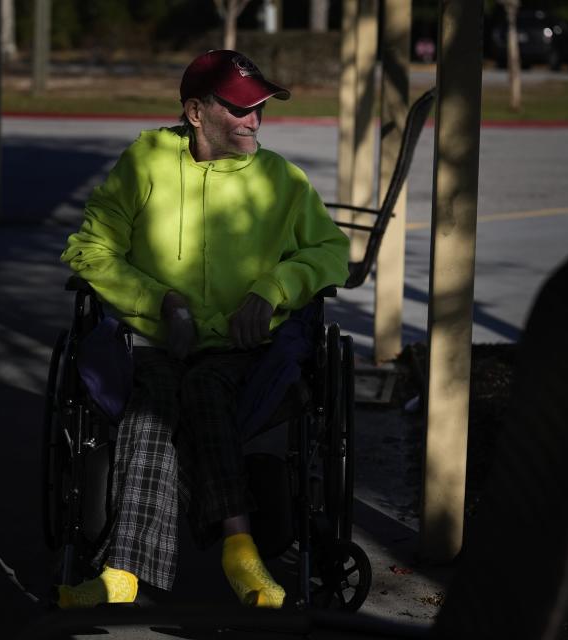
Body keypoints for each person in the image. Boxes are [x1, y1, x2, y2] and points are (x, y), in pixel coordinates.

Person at [58, 49, 349, 609]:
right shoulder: (145, 163)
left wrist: (272, 289)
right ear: (196, 112)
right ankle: (151, 569)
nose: (254, 120)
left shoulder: (282, 180)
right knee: (156, 400)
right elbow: (89, 249)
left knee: (200, 389)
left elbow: (331, 252)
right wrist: (162, 301)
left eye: (260, 107)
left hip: (243, 353)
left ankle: (195, 559)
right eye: (239, 109)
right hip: (156, 343)